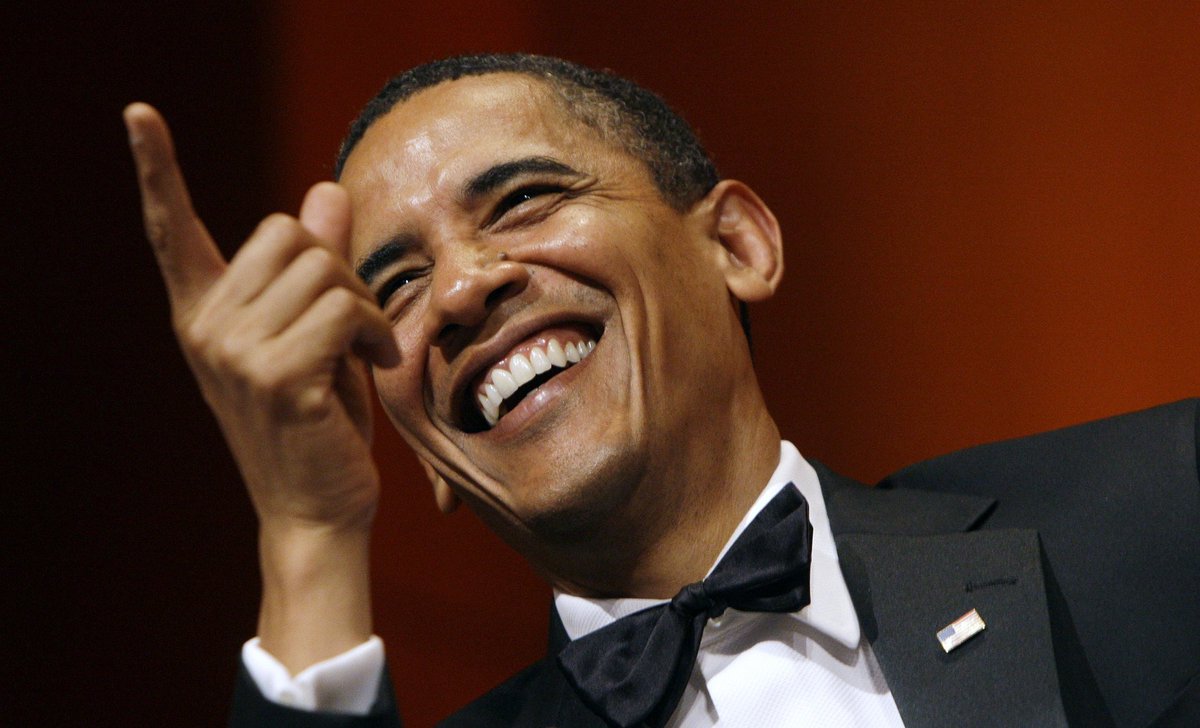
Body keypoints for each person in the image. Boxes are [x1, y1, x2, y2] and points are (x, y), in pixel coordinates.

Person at [125, 54, 1198, 727]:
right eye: (396, 285)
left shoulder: (1158, 513)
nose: (458, 290)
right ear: (420, 454)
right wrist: (308, 531)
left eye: (523, 199)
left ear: (736, 245)